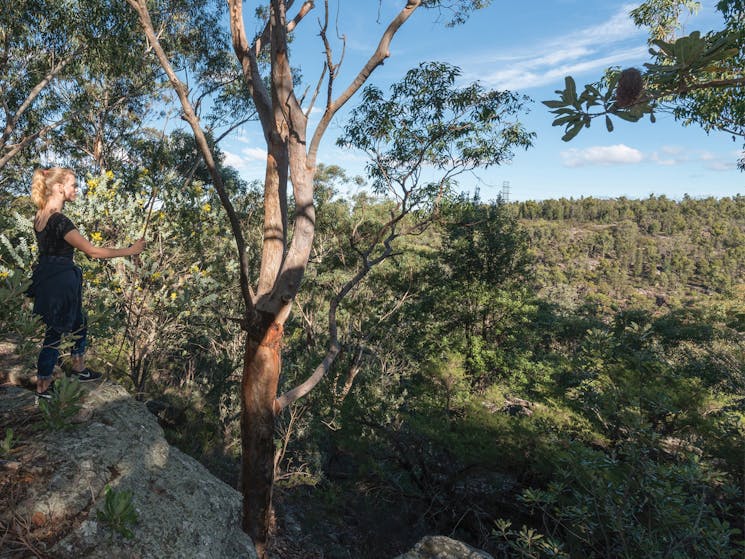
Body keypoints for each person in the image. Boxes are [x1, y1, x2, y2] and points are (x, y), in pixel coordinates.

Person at [27, 167, 145, 401]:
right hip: (60, 279)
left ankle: (78, 367)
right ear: (60, 187)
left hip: (47, 275)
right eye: (73, 185)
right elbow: (92, 251)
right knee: (56, 330)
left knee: (79, 320)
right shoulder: (59, 220)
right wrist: (130, 250)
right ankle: (44, 384)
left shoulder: (40, 215)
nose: (76, 189)